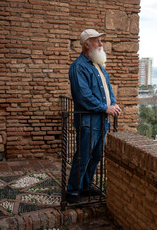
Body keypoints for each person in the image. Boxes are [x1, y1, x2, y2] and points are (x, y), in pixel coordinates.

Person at [67, 29, 121, 203]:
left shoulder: (98, 65)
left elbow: (108, 88)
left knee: (96, 155)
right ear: (87, 44)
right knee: (83, 156)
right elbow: (83, 96)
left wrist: (112, 104)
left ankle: (85, 186)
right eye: (97, 41)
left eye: (100, 40)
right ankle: (73, 191)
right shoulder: (78, 67)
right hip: (88, 121)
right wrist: (105, 108)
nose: (101, 44)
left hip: (101, 120)